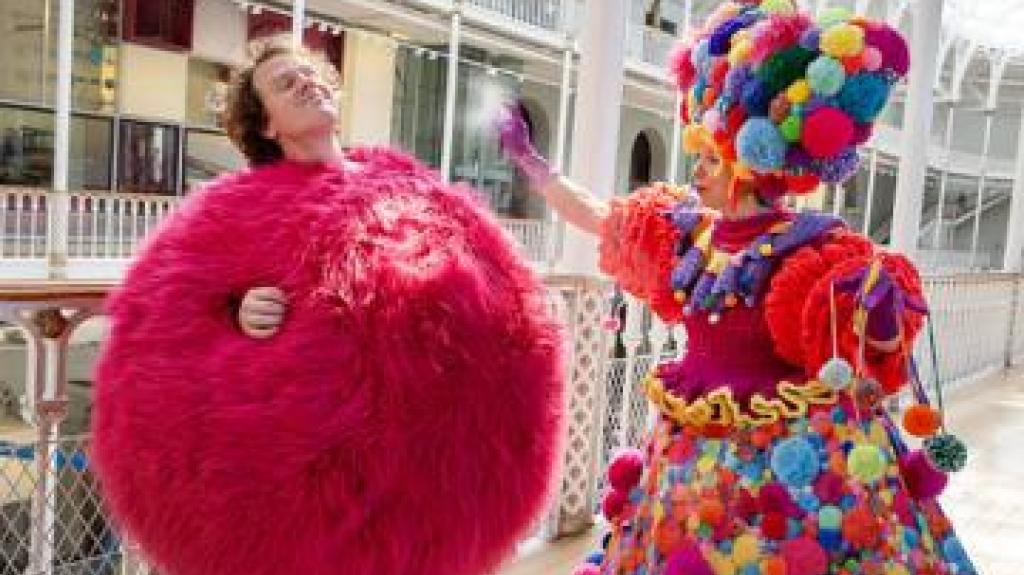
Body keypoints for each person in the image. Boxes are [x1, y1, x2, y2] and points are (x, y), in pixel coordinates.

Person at [499, 1, 976, 573]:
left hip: (798, 480)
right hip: (686, 469)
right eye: (696, 155)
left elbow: (876, 346)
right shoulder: (682, 232)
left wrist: (876, 306)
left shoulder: (817, 247)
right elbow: (600, 216)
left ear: (752, 159)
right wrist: (532, 164)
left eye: (709, 157)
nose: (695, 169)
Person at [92, 36, 563, 575]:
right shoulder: (234, 210)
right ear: (266, 125)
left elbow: (494, 280)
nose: (308, 83)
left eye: (311, 73)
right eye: (286, 84)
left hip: (419, 465)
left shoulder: (419, 189)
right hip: (310, 478)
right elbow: (170, 307)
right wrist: (237, 308)